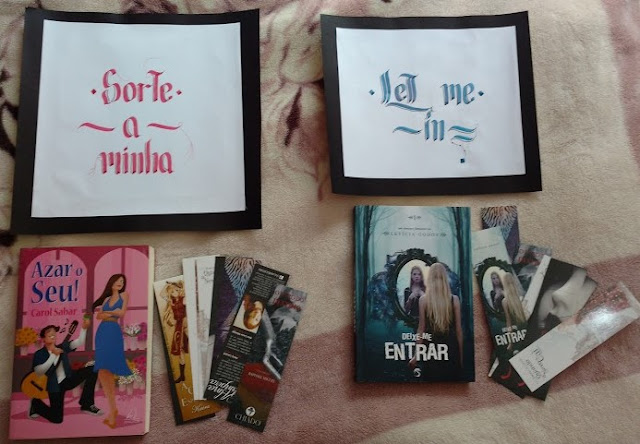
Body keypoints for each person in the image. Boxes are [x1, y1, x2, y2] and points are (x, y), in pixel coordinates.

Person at [29, 318, 102, 423]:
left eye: (54, 334)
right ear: (43, 339)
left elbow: (79, 342)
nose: (53, 336)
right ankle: (36, 404)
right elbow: (39, 371)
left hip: (68, 379)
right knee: (57, 419)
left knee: (93, 368)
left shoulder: (62, 347)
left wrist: (84, 328)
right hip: (54, 387)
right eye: (50, 335)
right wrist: (53, 356)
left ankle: (87, 404)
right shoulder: (39, 354)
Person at [408, 262, 463, 379]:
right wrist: (461, 357)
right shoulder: (454, 299)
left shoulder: (423, 300)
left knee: (431, 382)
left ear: (429, 278)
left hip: (431, 349)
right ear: (445, 278)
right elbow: (458, 331)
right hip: (450, 348)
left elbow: (421, 330)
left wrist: (416, 356)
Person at [92, 274, 132, 429]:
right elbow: (99, 316)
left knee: (110, 368)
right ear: (112, 282)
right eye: (118, 280)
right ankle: (113, 409)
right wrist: (112, 311)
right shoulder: (107, 299)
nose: (120, 283)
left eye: (122, 281)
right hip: (102, 332)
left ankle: (113, 410)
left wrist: (109, 313)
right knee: (102, 370)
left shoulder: (124, 295)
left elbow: (122, 313)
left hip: (113, 332)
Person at [162, 281, 188, 384]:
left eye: (176, 290)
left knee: (191, 344)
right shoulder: (171, 302)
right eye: (172, 292)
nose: (174, 292)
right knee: (180, 351)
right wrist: (167, 284)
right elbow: (162, 294)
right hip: (178, 326)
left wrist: (174, 284)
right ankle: (182, 376)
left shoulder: (184, 299)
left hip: (185, 324)